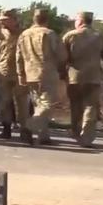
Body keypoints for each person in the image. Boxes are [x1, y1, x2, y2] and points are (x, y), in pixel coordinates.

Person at [62, 11, 103, 147]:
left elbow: (61, 58)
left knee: (75, 105)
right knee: (91, 106)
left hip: (74, 77)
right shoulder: (100, 36)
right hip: (93, 77)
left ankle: (76, 131)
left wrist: (62, 74)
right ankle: (87, 136)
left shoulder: (70, 35)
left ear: (80, 21)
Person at [17, 8, 67, 145]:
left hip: (30, 74)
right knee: (46, 105)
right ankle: (29, 126)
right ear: (47, 19)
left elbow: (19, 57)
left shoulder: (24, 34)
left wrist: (21, 74)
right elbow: (62, 55)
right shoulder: (49, 34)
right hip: (47, 73)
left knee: (38, 104)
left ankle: (44, 136)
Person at [0, 9, 28, 139]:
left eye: (5, 20)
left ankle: (25, 130)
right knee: (4, 102)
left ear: (14, 20)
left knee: (22, 103)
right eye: (1, 21)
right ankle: (6, 128)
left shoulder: (24, 34)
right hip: (3, 72)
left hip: (20, 73)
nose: (2, 23)